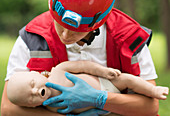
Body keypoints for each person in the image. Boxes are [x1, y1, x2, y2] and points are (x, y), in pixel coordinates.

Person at [1, 0, 160, 116]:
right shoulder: (33, 37)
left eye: (75, 31)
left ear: (98, 23)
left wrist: (99, 99)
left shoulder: (129, 37)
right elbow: (8, 109)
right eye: (59, 24)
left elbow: (150, 107)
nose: (64, 35)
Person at [7, 60, 168, 115]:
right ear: (33, 106)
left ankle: (153, 90)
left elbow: (83, 66)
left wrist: (103, 71)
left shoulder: (58, 70)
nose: (35, 91)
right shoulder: (50, 108)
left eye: (33, 85)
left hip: (105, 84)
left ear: (37, 73)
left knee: (126, 79)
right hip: (103, 110)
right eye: (31, 97)